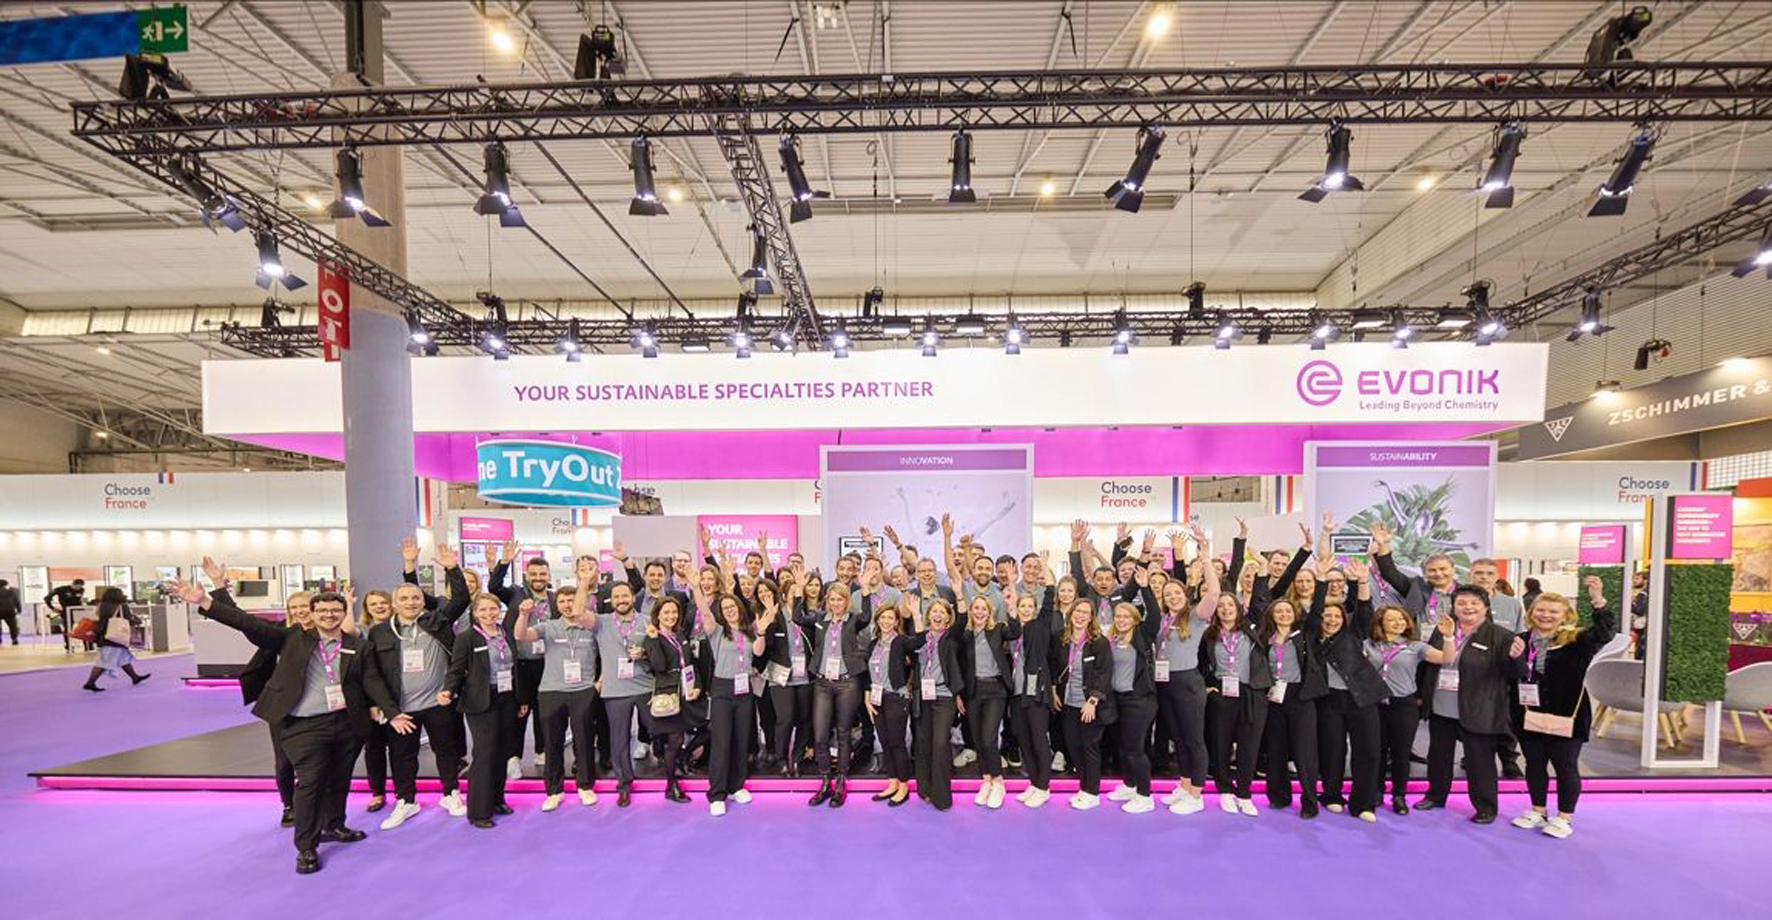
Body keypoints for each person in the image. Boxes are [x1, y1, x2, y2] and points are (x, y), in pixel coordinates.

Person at [175, 579, 399, 874]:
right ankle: (306, 847)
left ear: (344, 612)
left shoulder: (357, 646)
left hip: (347, 723)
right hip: (303, 725)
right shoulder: (291, 638)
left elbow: (371, 680)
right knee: (311, 782)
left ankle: (334, 824)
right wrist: (206, 602)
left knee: (339, 779)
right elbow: (247, 623)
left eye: (335, 610)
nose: (329, 615)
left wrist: (392, 712)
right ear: (313, 613)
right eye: (322, 611)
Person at [364, 548, 471, 829]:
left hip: (438, 702)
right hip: (401, 710)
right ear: (394, 603)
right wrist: (386, 709)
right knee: (402, 756)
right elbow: (372, 674)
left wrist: (452, 569)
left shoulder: (437, 620)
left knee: (446, 751)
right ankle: (406, 800)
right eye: (404, 598)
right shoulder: (379, 632)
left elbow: (461, 598)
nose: (410, 602)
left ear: (423, 601)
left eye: (415, 598)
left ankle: (451, 793)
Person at [1508, 578, 1616, 839]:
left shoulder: (1579, 639)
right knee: (1534, 764)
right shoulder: (1521, 640)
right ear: (1531, 612)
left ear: (1566, 615)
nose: (1545, 615)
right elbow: (1511, 674)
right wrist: (1512, 658)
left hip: (1568, 714)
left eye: (1553, 611)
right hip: (1528, 713)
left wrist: (1598, 599)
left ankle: (1564, 816)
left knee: (1565, 766)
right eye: (1541, 610)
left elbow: (1605, 632)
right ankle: (1538, 810)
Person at [1417, 585, 1516, 824]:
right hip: (1442, 704)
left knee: (1480, 760)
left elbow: (1512, 674)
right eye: (1461, 603)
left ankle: (1486, 807)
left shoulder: (1500, 635)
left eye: (1474, 603)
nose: (1467, 607)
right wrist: (1422, 695)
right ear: (1454, 607)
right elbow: (1429, 664)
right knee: (1438, 756)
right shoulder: (1443, 629)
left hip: (1478, 708)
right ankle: (1435, 795)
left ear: (1486, 607)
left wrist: (1517, 658)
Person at [514, 556, 601, 813]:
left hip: (583, 690)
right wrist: (523, 614)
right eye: (562, 601)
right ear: (557, 604)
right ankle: (554, 790)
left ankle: (585, 786)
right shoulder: (549, 626)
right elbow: (521, 635)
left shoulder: (591, 625)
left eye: (571, 600)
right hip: (551, 691)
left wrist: (599, 682)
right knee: (552, 743)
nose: (567, 605)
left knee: (584, 741)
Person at [1145, 524, 1217, 815]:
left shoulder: (1196, 616)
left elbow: (1214, 593)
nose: (1172, 597)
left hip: (1187, 682)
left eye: (1177, 592)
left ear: (1185, 594)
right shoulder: (1163, 620)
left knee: (1194, 739)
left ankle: (1196, 794)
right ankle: (1185, 785)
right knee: (1179, 737)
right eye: (1167, 594)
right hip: (1164, 683)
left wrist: (1205, 557)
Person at [441, 591, 520, 829]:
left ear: (499, 610)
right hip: (480, 701)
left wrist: (522, 698)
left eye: (492, 608)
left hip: (507, 698)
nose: (488, 613)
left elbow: (517, 668)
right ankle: (478, 811)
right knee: (485, 754)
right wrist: (448, 690)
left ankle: (497, 800)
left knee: (502, 752)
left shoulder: (507, 633)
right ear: (475, 613)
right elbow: (456, 669)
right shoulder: (467, 638)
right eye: (483, 609)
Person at [1364, 604, 1449, 815]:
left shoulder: (1416, 646)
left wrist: (1448, 638)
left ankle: (1399, 795)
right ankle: (1376, 791)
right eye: (1392, 619)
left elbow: (1446, 658)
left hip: (1403, 706)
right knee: (1376, 751)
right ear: (1380, 623)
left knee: (1401, 753)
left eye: (1401, 619)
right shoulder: (1368, 645)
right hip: (1374, 705)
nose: (1398, 623)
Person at [239, 584, 311, 827]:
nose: (300, 611)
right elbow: (244, 623)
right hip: (282, 706)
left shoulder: (324, 632)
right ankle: (288, 806)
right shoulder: (279, 633)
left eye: (304, 606)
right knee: (283, 759)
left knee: (313, 759)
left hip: (314, 705)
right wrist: (219, 588)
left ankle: (309, 802)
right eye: (294, 607)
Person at [691, 585, 758, 816]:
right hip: (722, 689)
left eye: (732, 606)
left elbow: (758, 652)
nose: (729, 610)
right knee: (721, 741)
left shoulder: (750, 632)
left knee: (741, 739)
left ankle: (736, 786)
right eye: (725, 607)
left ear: (739, 608)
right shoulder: (717, 631)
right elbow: (705, 612)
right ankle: (717, 794)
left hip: (745, 689)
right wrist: (696, 588)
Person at [1200, 591, 1268, 815]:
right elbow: (1200, 664)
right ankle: (1225, 790)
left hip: (1250, 693)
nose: (1226, 609)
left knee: (1249, 745)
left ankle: (1244, 793)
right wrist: (1207, 687)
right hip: (1222, 694)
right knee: (1221, 744)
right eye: (1221, 606)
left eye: (1230, 605)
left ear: (1238, 609)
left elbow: (1261, 602)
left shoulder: (1252, 629)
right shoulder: (1209, 635)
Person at [1257, 598, 1324, 819]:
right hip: (1273, 696)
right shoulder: (1265, 638)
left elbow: (1316, 613)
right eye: (1279, 611)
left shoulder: (1304, 636)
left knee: (1304, 751)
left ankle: (1309, 801)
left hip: (1300, 697)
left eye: (1288, 611)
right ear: (1271, 615)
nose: (1284, 614)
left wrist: (1321, 584)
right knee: (1276, 748)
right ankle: (1279, 796)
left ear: (1295, 615)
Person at [801, 581, 866, 807]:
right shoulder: (820, 619)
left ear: (846, 601)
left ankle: (840, 782)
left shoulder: (853, 620)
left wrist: (865, 591)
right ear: (827, 601)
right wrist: (799, 590)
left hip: (847, 683)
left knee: (843, 733)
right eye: (832, 599)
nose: (836, 603)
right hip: (822, 683)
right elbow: (798, 617)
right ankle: (825, 780)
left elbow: (867, 617)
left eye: (840, 599)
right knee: (820, 736)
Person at [589, 580, 653, 807]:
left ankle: (670, 776)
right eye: (616, 597)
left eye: (625, 595)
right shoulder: (602, 622)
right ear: (611, 600)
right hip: (615, 690)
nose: (621, 600)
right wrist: (584, 583)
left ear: (633, 597)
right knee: (619, 740)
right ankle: (624, 784)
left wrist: (645, 653)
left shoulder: (648, 621)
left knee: (662, 731)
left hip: (646, 687)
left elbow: (660, 651)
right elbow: (579, 614)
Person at [496, 552, 556, 779]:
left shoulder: (554, 598)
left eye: (542, 573)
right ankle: (513, 758)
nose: (538, 577)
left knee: (545, 710)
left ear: (548, 575)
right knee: (519, 712)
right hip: (520, 665)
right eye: (534, 574)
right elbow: (494, 586)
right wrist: (504, 561)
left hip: (547, 663)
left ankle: (542, 751)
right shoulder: (515, 594)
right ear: (526, 575)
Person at [1054, 597, 1113, 810]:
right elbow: (1055, 666)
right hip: (1069, 701)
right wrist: (1053, 689)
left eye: (1085, 613)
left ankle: (1092, 792)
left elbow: (1104, 674)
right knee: (1073, 746)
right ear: (1071, 614)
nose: (1080, 616)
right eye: (1077, 611)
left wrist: (1092, 700)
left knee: (1090, 747)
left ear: (1091, 618)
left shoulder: (1099, 642)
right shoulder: (1062, 639)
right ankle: (1083, 787)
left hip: (1090, 704)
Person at [643, 594, 700, 804]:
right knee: (675, 740)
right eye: (666, 612)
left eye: (674, 612)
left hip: (688, 689)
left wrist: (698, 686)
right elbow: (659, 666)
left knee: (709, 725)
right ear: (657, 615)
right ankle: (671, 785)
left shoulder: (680, 634)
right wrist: (653, 639)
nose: (671, 616)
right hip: (669, 693)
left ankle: (684, 757)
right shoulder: (653, 637)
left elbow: (690, 662)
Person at [958, 592, 1013, 809]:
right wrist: (959, 694)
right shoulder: (965, 635)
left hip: (995, 690)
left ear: (990, 612)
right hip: (973, 691)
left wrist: (1011, 608)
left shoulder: (998, 629)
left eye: (984, 608)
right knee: (978, 740)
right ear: (971, 611)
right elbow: (960, 666)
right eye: (976, 608)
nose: (979, 612)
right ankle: (986, 780)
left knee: (989, 739)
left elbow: (1016, 632)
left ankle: (998, 782)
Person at [1103, 598, 1158, 814]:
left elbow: (1154, 615)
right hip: (1117, 701)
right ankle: (1129, 785)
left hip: (1139, 700)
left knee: (1135, 750)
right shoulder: (1112, 639)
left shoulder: (1142, 636)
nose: (1122, 620)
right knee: (1124, 747)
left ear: (1135, 620)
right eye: (1118, 616)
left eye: (1127, 616)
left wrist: (1144, 587)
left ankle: (1145, 796)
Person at [908, 598, 963, 811]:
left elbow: (963, 619)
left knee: (940, 743)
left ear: (948, 618)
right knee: (923, 743)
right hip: (923, 695)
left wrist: (958, 594)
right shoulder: (921, 638)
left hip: (944, 696)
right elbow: (913, 649)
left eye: (942, 612)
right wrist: (915, 613)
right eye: (934, 611)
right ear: (928, 616)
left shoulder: (951, 637)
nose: (938, 615)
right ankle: (926, 789)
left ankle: (942, 797)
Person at [1003, 589, 1056, 807]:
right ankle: (1034, 783)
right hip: (1017, 694)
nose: (1026, 610)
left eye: (1029, 606)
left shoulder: (1039, 627)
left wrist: (1048, 582)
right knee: (1024, 741)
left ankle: (1043, 787)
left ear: (1035, 610)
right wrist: (1010, 607)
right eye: (1022, 606)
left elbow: (1048, 606)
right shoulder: (1012, 631)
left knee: (1039, 739)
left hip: (1036, 693)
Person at [758, 572, 814, 776]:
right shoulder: (775, 615)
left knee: (805, 719)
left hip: (805, 676)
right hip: (780, 676)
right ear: (783, 595)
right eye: (792, 592)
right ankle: (782, 759)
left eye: (799, 592)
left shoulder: (808, 617)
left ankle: (797, 758)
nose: (796, 596)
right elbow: (767, 645)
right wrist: (770, 620)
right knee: (785, 719)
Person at [865, 603, 916, 806]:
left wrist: (915, 614)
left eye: (890, 618)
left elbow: (919, 645)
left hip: (896, 697)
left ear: (896, 622)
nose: (886, 621)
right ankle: (892, 782)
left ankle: (903, 786)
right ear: (877, 620)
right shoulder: (873, 644)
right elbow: (867, 674)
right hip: (877, 698)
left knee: (897, 743)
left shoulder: (901, 641)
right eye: (883, 617)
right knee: (885, 742)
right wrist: (867, 697)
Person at [357, 589, 396, 813]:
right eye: (373, 604)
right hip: (372, 701)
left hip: (398, 698)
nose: (380, 607)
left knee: (400, 749)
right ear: (367, 609)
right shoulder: (361, 632)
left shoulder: (400, 629)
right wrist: (372, 703)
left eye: (383, 602)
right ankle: (378, 792)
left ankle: (404, 793)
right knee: (374, 748)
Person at [82, 587, 151, 691]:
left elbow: (102, 622)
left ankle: (135, 677)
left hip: (106, 637)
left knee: (123, 659)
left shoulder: (102, 606)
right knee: (103, 662)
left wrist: (96, 633)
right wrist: (137, 620)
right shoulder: (122, 606)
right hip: (117, 637)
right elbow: (128, 619)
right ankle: (90, 682)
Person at [45, 579, 86, 650]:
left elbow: (79, 600)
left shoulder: (82, 590)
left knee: (84, 627)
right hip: (66, 611)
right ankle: (68, 645)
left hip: (78, 611)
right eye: (76, 586)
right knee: (68, 628)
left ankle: (87, 645)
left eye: (80, 586)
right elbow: (47, 598)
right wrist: (52, 608)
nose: (78, 588)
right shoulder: (62, 589)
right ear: (73, 584)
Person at [0, 578, 21, 644]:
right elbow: (17, 601)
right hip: (10, 611)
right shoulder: (13, 591)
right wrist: (19, 609)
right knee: (13, 626)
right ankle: (14, 640)